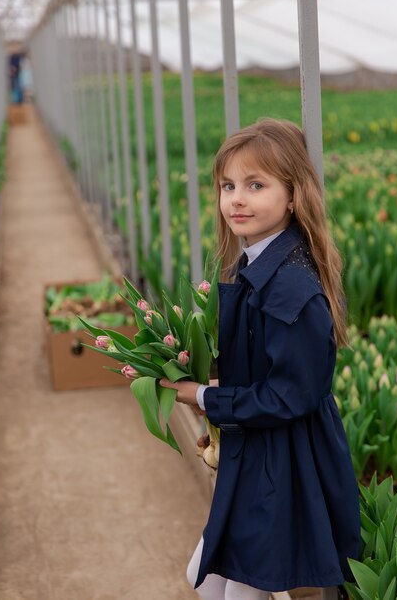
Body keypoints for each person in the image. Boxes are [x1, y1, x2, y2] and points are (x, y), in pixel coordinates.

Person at [160, 118, 360, 599]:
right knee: (210, 578)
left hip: (284, 460)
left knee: (229, 585)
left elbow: (289, 395)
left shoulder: (290, 287)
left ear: (293, 195)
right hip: (259, 450)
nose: (237, 199)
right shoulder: (255, 264)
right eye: (228, 185)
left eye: (256, 184)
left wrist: (207, 397)